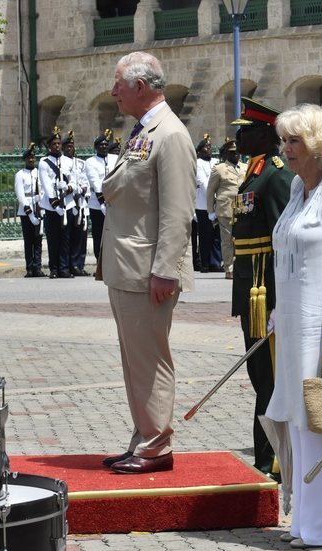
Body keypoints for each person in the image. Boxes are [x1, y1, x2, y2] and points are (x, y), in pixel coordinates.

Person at [100, 51, 196, 474]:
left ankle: (156, 445)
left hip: (147, 272)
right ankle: (144, 436)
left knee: (149, 360)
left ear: (141, 87)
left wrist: (165, 270)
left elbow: (178, 212)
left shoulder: (170, 133)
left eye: (119, 83)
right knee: (134, 360)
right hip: (128, 267)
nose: (114, 90)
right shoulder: (143, 130)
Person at [265, 103, 322, 549]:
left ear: (318, 144)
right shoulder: (299, 189)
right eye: (284, 140)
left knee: (320, 419)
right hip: (295, 319)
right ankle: (305, 518)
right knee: (298, 417)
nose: (286, 149)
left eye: (294, 141)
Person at [231, 96, 295, 475]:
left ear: (265, 134)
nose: (238, 136)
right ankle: (264, 456)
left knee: (270, 377)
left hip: (266, 289)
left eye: (246, 130)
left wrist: (278, 300)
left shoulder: (276, 174)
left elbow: (283, 240)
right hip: (250, 286)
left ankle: (273, 458)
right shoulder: (254, 172)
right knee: (260, 377)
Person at [38, 129, 75, 279]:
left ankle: (64, 268)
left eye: (59, 143)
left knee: (66, 239)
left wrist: (68, 187)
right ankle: (54, 268)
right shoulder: (44, 162)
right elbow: (46, 185)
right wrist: (55, 204)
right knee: (53, 239)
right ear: (49, 146)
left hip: (68, 204)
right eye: (54, 144)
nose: (57, 146)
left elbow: (74, 181)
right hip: (52, 207)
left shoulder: (68, 161)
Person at [206, 139, 245, 279]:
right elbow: (210, 191)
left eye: (237, 152)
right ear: (227, 154)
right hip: (225, 209)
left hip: (242, 209)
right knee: (227, 240)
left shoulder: (246, 167)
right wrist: (210, 211)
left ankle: (241, 266)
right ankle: (229, 268)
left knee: (240, 239)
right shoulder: (219, 168)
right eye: (232, 153)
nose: (236, 155)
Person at [84, 131, 115, 264]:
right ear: (96, 147)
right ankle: (100, 262)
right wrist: (102, 201)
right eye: (101, 145)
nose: (104, 147)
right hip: (97, 204)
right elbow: (95, 182)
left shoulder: (114, 158)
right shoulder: (90, 162)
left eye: (106, 144)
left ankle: (113, 261)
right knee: (99, 234)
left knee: (114, 234)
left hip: (114, 202)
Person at [63, 132, 91, 276]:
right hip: (68, 202)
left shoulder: (81, 163)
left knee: (81, 236)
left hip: (80, 202)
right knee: (69, 235)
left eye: (71, 147)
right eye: (67, 147)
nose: (69, 149)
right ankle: (68, 264)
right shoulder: (61, 163)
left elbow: (86, 181)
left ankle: (78, 264)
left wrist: (84, 190)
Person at [15, 145, 45, 277]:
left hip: (39, 209)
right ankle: (29, 268)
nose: (31, 159)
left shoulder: (39, 173)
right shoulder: (20, 174)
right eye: (29, 158)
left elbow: (44, 189)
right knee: (28, 241)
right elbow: (20, 194)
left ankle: (37, 267)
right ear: (25, 159)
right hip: (26, 211)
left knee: (38, 240)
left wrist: (42, 202)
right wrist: (29, 211)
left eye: (33, 157)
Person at [195, 135, 218, 273]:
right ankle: (204, 263)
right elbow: (203, 183)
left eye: (209, 147)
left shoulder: (215, 161)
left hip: (216, 203)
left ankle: (215, 262)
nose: (208, 149)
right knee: (205, 235)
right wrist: (214, 197)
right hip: (203, 204)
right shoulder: (198, 163)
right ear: (199, 151)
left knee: (216, 236)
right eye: (205, 147)